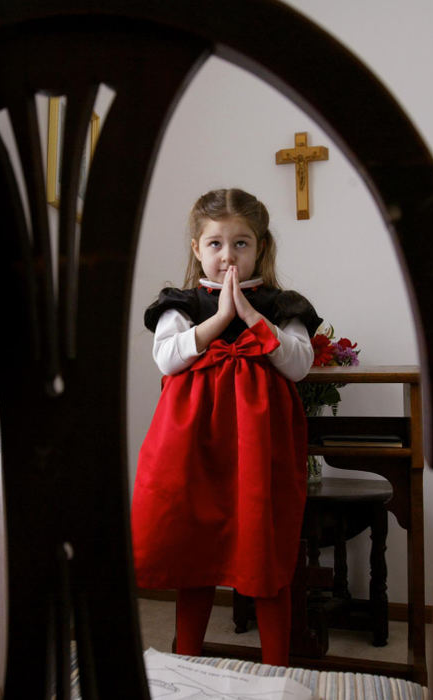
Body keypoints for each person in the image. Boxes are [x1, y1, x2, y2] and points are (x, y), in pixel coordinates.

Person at [131, 188, 321, 666]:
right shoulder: (180, 303)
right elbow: (167, 358)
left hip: (261, 450)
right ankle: (186, 664)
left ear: (261, 247)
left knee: (266, 551)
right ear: (197, 248)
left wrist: (252, 317)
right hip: (194, 447)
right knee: (195, 550)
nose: (227, 255)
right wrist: (220, 318)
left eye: (241, 243)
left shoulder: (284, 306)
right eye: (215, 244)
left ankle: (277, 668)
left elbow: (298, 365)